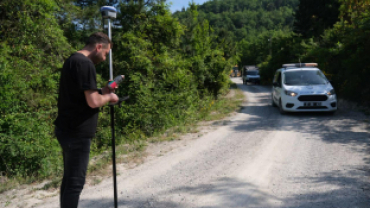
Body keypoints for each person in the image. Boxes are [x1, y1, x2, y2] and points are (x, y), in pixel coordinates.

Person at [54, 32, 119, 208]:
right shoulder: (85, 64)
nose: (105, 58)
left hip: (67, 129)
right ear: (98, 47)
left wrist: (105, 90)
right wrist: (110, 98)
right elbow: (93, 102)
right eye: (105, 53)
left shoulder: (73, 60)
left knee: (69, 180)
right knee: (75, 183)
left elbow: (83, 94)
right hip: (77, 132)